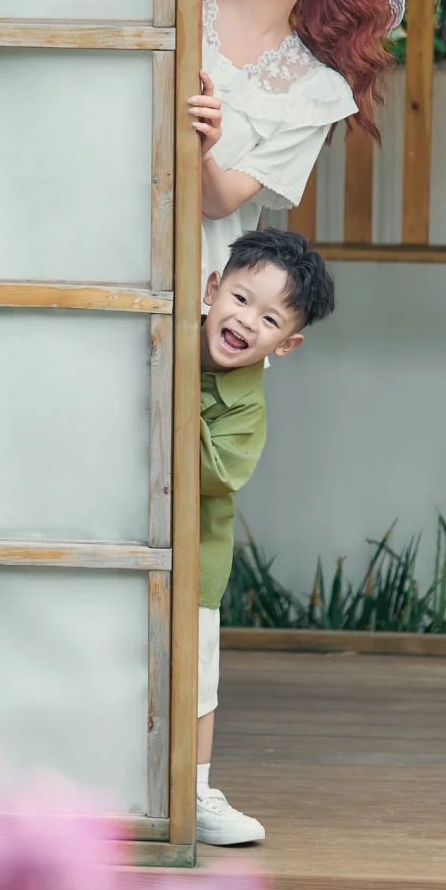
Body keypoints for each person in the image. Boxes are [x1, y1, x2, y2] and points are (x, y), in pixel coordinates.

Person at [187, 0, 406, 846]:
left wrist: (198, 133)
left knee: (194, 541)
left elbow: (224, 195)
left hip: (204, 300)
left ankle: (187, 780)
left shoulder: (316, 86)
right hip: (80, 260)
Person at [197, 227, 335, 846]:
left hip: (195, 554)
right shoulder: (158, 335)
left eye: (270, 319)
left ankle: (194, 789)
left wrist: (174, 393)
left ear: (288, 344)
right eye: (241, 298)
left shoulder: (247, 407)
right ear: (211, 288)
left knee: (196, 677)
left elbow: (218, 472)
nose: (247, 321)